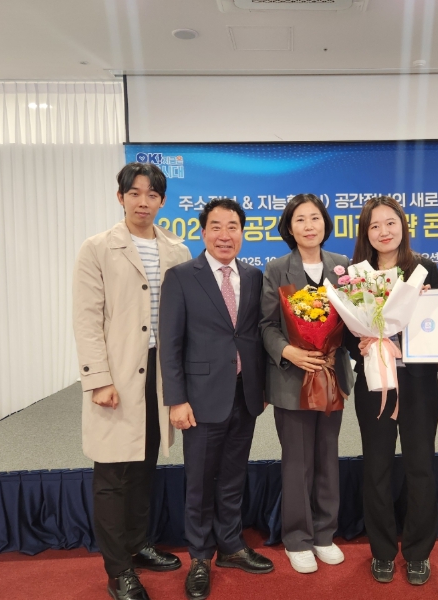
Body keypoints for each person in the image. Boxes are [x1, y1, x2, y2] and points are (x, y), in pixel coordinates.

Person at [73, 162, 190, 600]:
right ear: (120, 197)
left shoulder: (176, 250)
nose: (143, 202)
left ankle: (139, 544)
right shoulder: (97, 248)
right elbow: (86, 319)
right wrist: (98, 379)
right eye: (135, 193)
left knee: (144, 465)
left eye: (152, 194)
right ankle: (117, 569)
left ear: (163, 201)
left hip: (161, 374)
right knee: (112, 471)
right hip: (118, 375)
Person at [159, 198, 273, 600]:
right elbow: (170, 344)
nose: (225, 235)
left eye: (233, 227)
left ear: (243, 232)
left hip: (245, 395)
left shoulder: (254, 276)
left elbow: (255, 336)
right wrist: (176, 399)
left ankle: (231, 546)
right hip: (200, 398)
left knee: (233, 476)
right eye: (217, 227)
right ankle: (199, 557)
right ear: (203, 232)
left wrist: (263, 388)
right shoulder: (180, 277)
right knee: (199, 482)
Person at [346, 196, 438, 586]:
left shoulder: (424, 268)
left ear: (403, 226)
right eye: (375, 225)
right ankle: (383, 551)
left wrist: (426, 308)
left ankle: (418, 552)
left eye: (391, 223)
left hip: (418, 383)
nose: (384, 231)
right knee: (377, 467)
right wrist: (362, 343)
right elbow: (347, 333)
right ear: (365, 233)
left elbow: (437, 324)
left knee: (421, 466)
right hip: (374, 384)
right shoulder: (356, 274)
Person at [259, 193, 354, 574]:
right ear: (289, 227)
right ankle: (297, 539)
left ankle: (324, 534)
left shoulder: (342, 266)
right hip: (291, 379)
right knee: (297, 462)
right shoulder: (277, 269)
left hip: (331, 376)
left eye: (315, 218)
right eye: (300, 219)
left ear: (325, 224)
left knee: (327, 458)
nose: (309, 225)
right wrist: (289, 352)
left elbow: (354, 319)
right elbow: (266, 324)